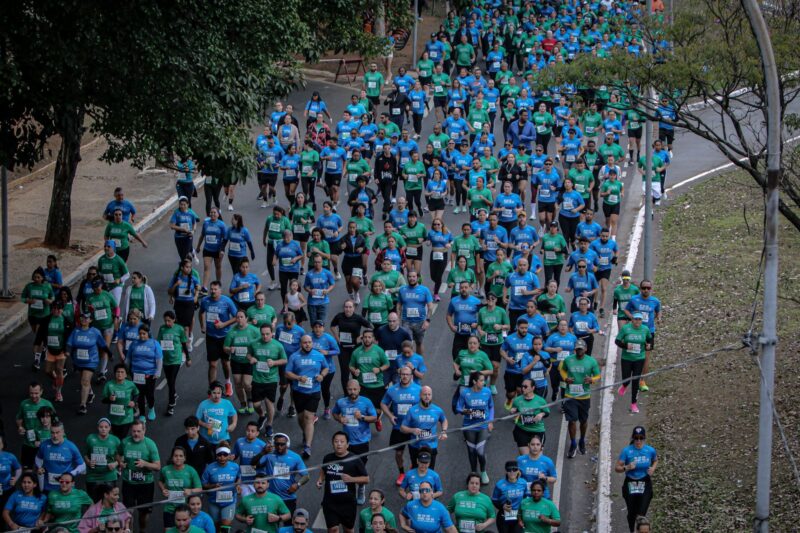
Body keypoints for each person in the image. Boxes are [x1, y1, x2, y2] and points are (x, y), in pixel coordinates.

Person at [332, 380, 377, 503]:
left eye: (355, 389)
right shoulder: (341, 402)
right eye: (350, 389)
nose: (352, 392)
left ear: (359, 389)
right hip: (346, 443)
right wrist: (340, 418)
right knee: (345, 467)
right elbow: (334, 413)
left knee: (360, 468)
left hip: (362, 442)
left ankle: (361, 488)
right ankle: (347, 492)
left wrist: (362, 417)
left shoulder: (366, 402)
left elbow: (374, 418)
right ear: (346, 389)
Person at [285, 335, 330, 458]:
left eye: (310, 342)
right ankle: (305, 433)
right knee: (300, 418)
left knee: (308, 417)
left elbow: (326, 367)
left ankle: (308, 446)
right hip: (298, 392)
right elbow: (287, 373)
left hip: (314, 392)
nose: (308, 344)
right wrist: (298, 377)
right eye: (305, 342)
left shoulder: (318, 356)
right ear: (300, 344)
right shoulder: (294, 357)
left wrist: (322, 375)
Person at [317, 432, 369, 533]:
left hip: (348, 503)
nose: (339, 444)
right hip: (330, 502)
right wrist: (320, 480)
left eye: (342, 442)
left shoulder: (355, 459)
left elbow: (366, 479)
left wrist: (351, 479)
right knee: (332, 529)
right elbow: (323, 470)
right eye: (336, 441)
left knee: (348, 530)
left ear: (347, 444)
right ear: (333, 444)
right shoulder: (328, 458)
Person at [559, 339, 601, 458]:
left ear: (586, 349)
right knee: (572, 420)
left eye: (581, 349)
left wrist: (592, 380)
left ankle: (582, 440)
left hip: (584, 395)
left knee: (583, 421)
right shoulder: (568, 360)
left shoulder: (591, 361)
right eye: (577, 349)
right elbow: (562, 369)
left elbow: (598, 375)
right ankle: (573, 443)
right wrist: (566, 378)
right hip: (570, 395)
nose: (579, 351)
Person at [253, 432, 309, 517]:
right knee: (271, 525)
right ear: (274, 444)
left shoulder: (295, 457)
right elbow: (253, 464)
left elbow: (306, 476)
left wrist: (297, 485)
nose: (279, 447)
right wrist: (263, 452)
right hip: (271, 497)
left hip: (288, 498)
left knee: (289, 525)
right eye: (277, 444)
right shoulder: (269, 455)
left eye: (282, 444)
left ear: (287, 444)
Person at [117, 419, 160, 530]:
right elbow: (118, 454)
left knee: (143, 513)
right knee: (128, 512)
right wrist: (120, 462)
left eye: (139, 431)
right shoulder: (125, 442)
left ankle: (142, 530)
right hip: (129, 482)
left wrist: (145, 463)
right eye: (134, 431)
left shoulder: (150, 445)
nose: (136, 434)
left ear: (144, 431)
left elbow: (157, 466)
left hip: (145, 484)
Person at [616, 426, 658, 533]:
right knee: (632, 513)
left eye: (641, 438)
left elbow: (655, 460)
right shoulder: (626, 451)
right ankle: (631, 530)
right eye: (636, 438)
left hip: (645, 482)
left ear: (644, 438)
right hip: (630, 482)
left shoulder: (650, 450)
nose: (638, 441)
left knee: (641, 514)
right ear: (633, 438)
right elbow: (617, 468)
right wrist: (627, 467)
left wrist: (653, 468)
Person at [199, 281, 238, 393]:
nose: (213, 291)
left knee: (225, 363)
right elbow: (201, 312)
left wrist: (223, 324)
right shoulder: (205, 301)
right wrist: (202, 325)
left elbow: (236, 317)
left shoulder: (227, 301)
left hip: (225, 337)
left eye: (215, 289)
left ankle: (227, 382)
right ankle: (212, 389)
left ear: (220, 290)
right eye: (211, 289)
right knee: (212, 364)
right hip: (211, 336)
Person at [67, 312, 110, 415]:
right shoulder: (76, 330)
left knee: (85, 381)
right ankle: (90, 393)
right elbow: (69, 343)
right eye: (82, 317)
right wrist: (67, 352)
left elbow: (103, 345)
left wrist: (110, 354)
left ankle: (83, 405)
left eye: (86, 318)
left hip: (91, 360)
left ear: (91, 320)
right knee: (84, 381)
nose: (84, 319)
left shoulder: (95, 332)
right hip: (79, 360)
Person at [248, 323, 288, 436]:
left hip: (271, 380)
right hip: (257, 379)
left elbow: (284, 360)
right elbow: (248, 354)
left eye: (267, 334)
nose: (265, 336)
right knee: (256, 405)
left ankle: (269, 425)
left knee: (269, 403)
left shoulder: (278, 345)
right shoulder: (254, 343)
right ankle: (262, 415)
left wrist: (274, 362)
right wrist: (251, 358)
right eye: (263, 334)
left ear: (272, 333)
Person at [624, 280, 662, 392]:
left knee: (646, 357)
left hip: (649, 332)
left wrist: (659, 318)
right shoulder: (634, 299)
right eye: (644, 288)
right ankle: (630, 377)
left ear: (651, 289)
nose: (646, 290)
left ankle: (642, 381)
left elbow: (658, 311)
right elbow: (626, 309)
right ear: (640, 289)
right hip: (635, 331)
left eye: (648, 288)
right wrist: (632, 317)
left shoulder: (655, 301)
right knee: (634, 354)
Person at [400, 386, 447, 469]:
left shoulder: (437, 410)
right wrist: (412, 430)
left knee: (430, 470)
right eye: (425, 394)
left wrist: (444, 431)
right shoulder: (412, 410)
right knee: (416, 469)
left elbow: (444, 420)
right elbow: (402, 428)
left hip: (431, 446)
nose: (427, 397)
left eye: (429, 394)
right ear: (420, 395)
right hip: (416, 446)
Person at [615, 313, 654, 413]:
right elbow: (617, 341)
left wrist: (648, 345)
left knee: (636, 381)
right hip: (626, 358)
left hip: (639, 358)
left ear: (642, 321)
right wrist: (625, 346)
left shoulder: (645, 329)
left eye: (639, 319)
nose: (637, 321)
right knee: (626, 379)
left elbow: (650, 339)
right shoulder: (626, 329)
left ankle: (633, 404)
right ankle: (624, 385)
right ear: (632, 320)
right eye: (635, 319)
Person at [223, 310, 260, 415]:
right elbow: (225, 347)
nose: (239, 319)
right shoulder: (232, 332)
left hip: (248, 361)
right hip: (236, 361)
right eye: (237, 317)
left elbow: (260, 342)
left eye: (241, 317)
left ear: (246, 318)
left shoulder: (253, 330)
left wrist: (255, 354)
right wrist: (230, 349)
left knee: (247, 384)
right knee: (238, 383)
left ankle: (250, 399)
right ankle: (243, 404)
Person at [158, 446, 202, 528]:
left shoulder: (191, 471)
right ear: (172, 457)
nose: (178, 458)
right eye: (176, 456)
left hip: (185, 509)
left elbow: (199, 489)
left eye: (181, 456)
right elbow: (160, 481)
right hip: (169, 508)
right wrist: (163, 489)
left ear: (185, 458)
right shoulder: (165, 470)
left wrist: (190, 491)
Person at [22, 266, 55, 372]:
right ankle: (44, 346)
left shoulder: (47, 286)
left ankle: (37, 360)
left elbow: (52, 297)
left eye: (38, 277)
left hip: (43, 315)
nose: (36, 279)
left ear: (42, 278)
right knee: (36, 333)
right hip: (32, 315)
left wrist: (49, 301)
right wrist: (28, 301)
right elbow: (22, 297)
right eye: (34, 277)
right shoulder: (29, 287)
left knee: (38, 335)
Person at [201, 445, 241, 532]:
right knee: (216, 525)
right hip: (214, 502)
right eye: (219, 455)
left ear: (229, 455)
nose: (222, 458)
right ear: (216, 456)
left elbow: (239, 477)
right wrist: (213, 486)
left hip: (229, 501)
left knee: (226, 524)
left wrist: (237, 485)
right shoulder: (210, 468)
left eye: (225, 455)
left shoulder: (235, 467)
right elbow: (204, 484)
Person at [16, 381, 56, 468]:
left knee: (43, 470)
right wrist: (20, 427)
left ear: (41, 392)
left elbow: (55, 421)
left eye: (36, 393)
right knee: (27, 470)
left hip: (44, 442)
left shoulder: (47, 404)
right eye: (31, 393)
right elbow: (19, 418)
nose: (33, 396)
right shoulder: (24, 404)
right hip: (28, 443)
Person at [397, 271, 434, 354]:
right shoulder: (402, 290)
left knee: (419, 343)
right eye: (410, 277)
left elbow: (430, 306)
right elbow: (399, 305)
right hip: (406, 321)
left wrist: (427, 320)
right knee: (408, 343)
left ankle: (418, 362)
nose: (412, 278)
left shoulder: (424, 290)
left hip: (420, 322)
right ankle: (409, 362)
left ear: (417, 278)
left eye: (414, 277)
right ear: (407, 278)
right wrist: (397, 319)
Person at [83, 418, 121, 500]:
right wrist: (88, 462)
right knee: (93, 501)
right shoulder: (90, 439)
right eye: (101, 427)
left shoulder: (115, 440)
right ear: (98, 427)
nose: (103, 429)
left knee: (109, 500)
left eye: (106, 427)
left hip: (109, 475)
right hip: (92, 476)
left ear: (110, 428)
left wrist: (115, 464)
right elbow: (85, 454)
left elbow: (121, 457)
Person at [510, 379, 550, 453]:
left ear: (533, 388)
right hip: (522, 430)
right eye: (522, 386)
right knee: (525, 457)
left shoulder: (540, 401)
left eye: (525, 387)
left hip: (537, 431)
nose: (523, 389)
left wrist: (541, 414)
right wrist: (513, 412)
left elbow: (547, 412)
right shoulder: (517, 400)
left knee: (536, 457)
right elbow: (514, 414)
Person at [174, 416, 216, 484]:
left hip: (199, 475)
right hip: (183, 475)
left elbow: (210, 461)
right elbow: (174, 457)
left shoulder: (205, 443)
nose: (190, 432)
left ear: (198, 428)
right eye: (187, 429)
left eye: (192, 429)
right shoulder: (179, 441)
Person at [101, 364, 138, 440]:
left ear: (125, 374)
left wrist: (133, 402)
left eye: (122, 372)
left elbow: (137, 394)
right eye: (118, 372)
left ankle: (120, 451)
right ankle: (119, 450)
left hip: (127, 416)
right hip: (113, 417)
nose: (120, 374)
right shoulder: (109, 384)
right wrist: (109, 399)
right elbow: (103, 400)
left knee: (122, 437)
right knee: (116, 437)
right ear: (115, 373)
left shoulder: (130, 384)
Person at [195, 381, 238, 446]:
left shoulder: (227, 403)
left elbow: (234, 414)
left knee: (224, 456)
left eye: (219, 393)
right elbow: (196, 420)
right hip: (206, 440)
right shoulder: (203, 404)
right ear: (210, 392)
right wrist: (204, 424)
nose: (217, 396)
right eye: (214, 393)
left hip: (224, 439)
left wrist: (234, 424)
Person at [195, 207, 228, 290]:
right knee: (206, 267)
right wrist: (198, 246)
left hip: (217, 250)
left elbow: (225, 238)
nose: (212, 214)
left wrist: (222, 249)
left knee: (218, 267)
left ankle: (218, 283)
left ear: (218, 214)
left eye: (214, 212)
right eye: (211, 212)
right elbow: (202, 235)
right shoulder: (206, 223)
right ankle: (204, 287)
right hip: (207, 249)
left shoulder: (221, 224)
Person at [491, 461, 528, 533]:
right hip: (503, 516)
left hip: (518, 516)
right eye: (509, 470)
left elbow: (525, 497)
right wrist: (502, 507)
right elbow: (494, 500)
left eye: (514, 469)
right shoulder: (500, 484)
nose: (512, 472)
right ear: (506, 471)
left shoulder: (523, 483)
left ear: (518, 471)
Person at [232, 422, 267, 496]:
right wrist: (231, 457)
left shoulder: (262, 445)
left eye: (252, 431)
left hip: (257, 480)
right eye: (248, 430)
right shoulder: (239, 442)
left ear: (257, 433)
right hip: (244, 479)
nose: (249, 433)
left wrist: (257, 466)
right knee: (247, 503)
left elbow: (265, 462)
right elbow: (235, 455)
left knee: (257, 503)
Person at [304, 255, 336, 325]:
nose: (317, 264)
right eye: (315, 262)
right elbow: (305, 286)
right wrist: (310, 291)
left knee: (321, 324)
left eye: (319, 262)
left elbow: (332, 284)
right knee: (313, 324)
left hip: (324, 302)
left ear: (322, 263)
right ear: (313, 263)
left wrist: (327, 290)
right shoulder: (309, 274)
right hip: (312, 303)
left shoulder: (327, 273)